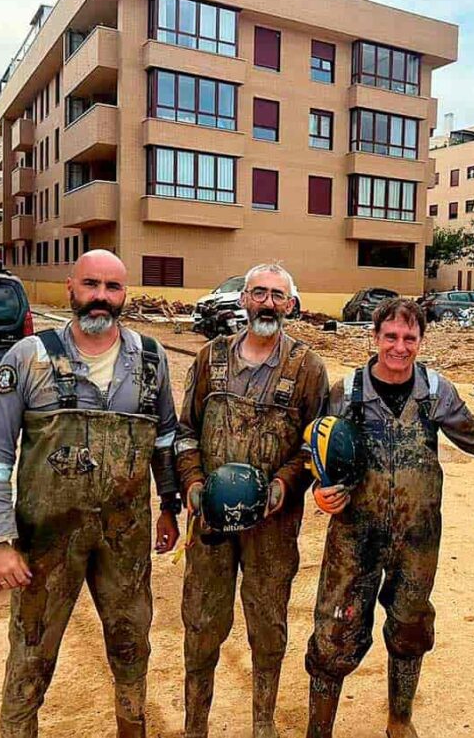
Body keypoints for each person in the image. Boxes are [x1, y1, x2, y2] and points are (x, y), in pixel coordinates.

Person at [0, 249, 181, 738]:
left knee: (132, 647)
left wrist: (169, 508)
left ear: (125, 294)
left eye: (113, 287)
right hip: (45, 542)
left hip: (124, 541)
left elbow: (165, 442)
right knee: (32, 653)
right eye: (91, 285)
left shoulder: (150, 360)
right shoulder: (29, 358)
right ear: (71, 287)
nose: (101, 298)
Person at [305, 298, 474, 738]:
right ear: (374, 337)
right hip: (354, 537)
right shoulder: (346, 393)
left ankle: (399, 719)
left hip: (417, 539)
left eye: (410, 338)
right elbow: (314, 453)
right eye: (391, 336)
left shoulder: (435, 391)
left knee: (410, 627)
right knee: (334, 631)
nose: (400, 347)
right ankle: (318, 730)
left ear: (421, 341)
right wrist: (320, 491)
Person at [175, 263, 328, 738]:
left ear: (291, 305)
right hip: (211, 528)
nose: (267, 303)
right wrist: (193, 486)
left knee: (268, 629)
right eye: (258, 293)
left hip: (272, 528)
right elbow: (185, 432)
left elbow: (313, 446)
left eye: (278, 296)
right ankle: (194, 725)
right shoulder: (210, 359)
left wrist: (283, 486)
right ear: (243, 300)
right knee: (201, 626)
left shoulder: (306, 368)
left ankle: (263, 722)